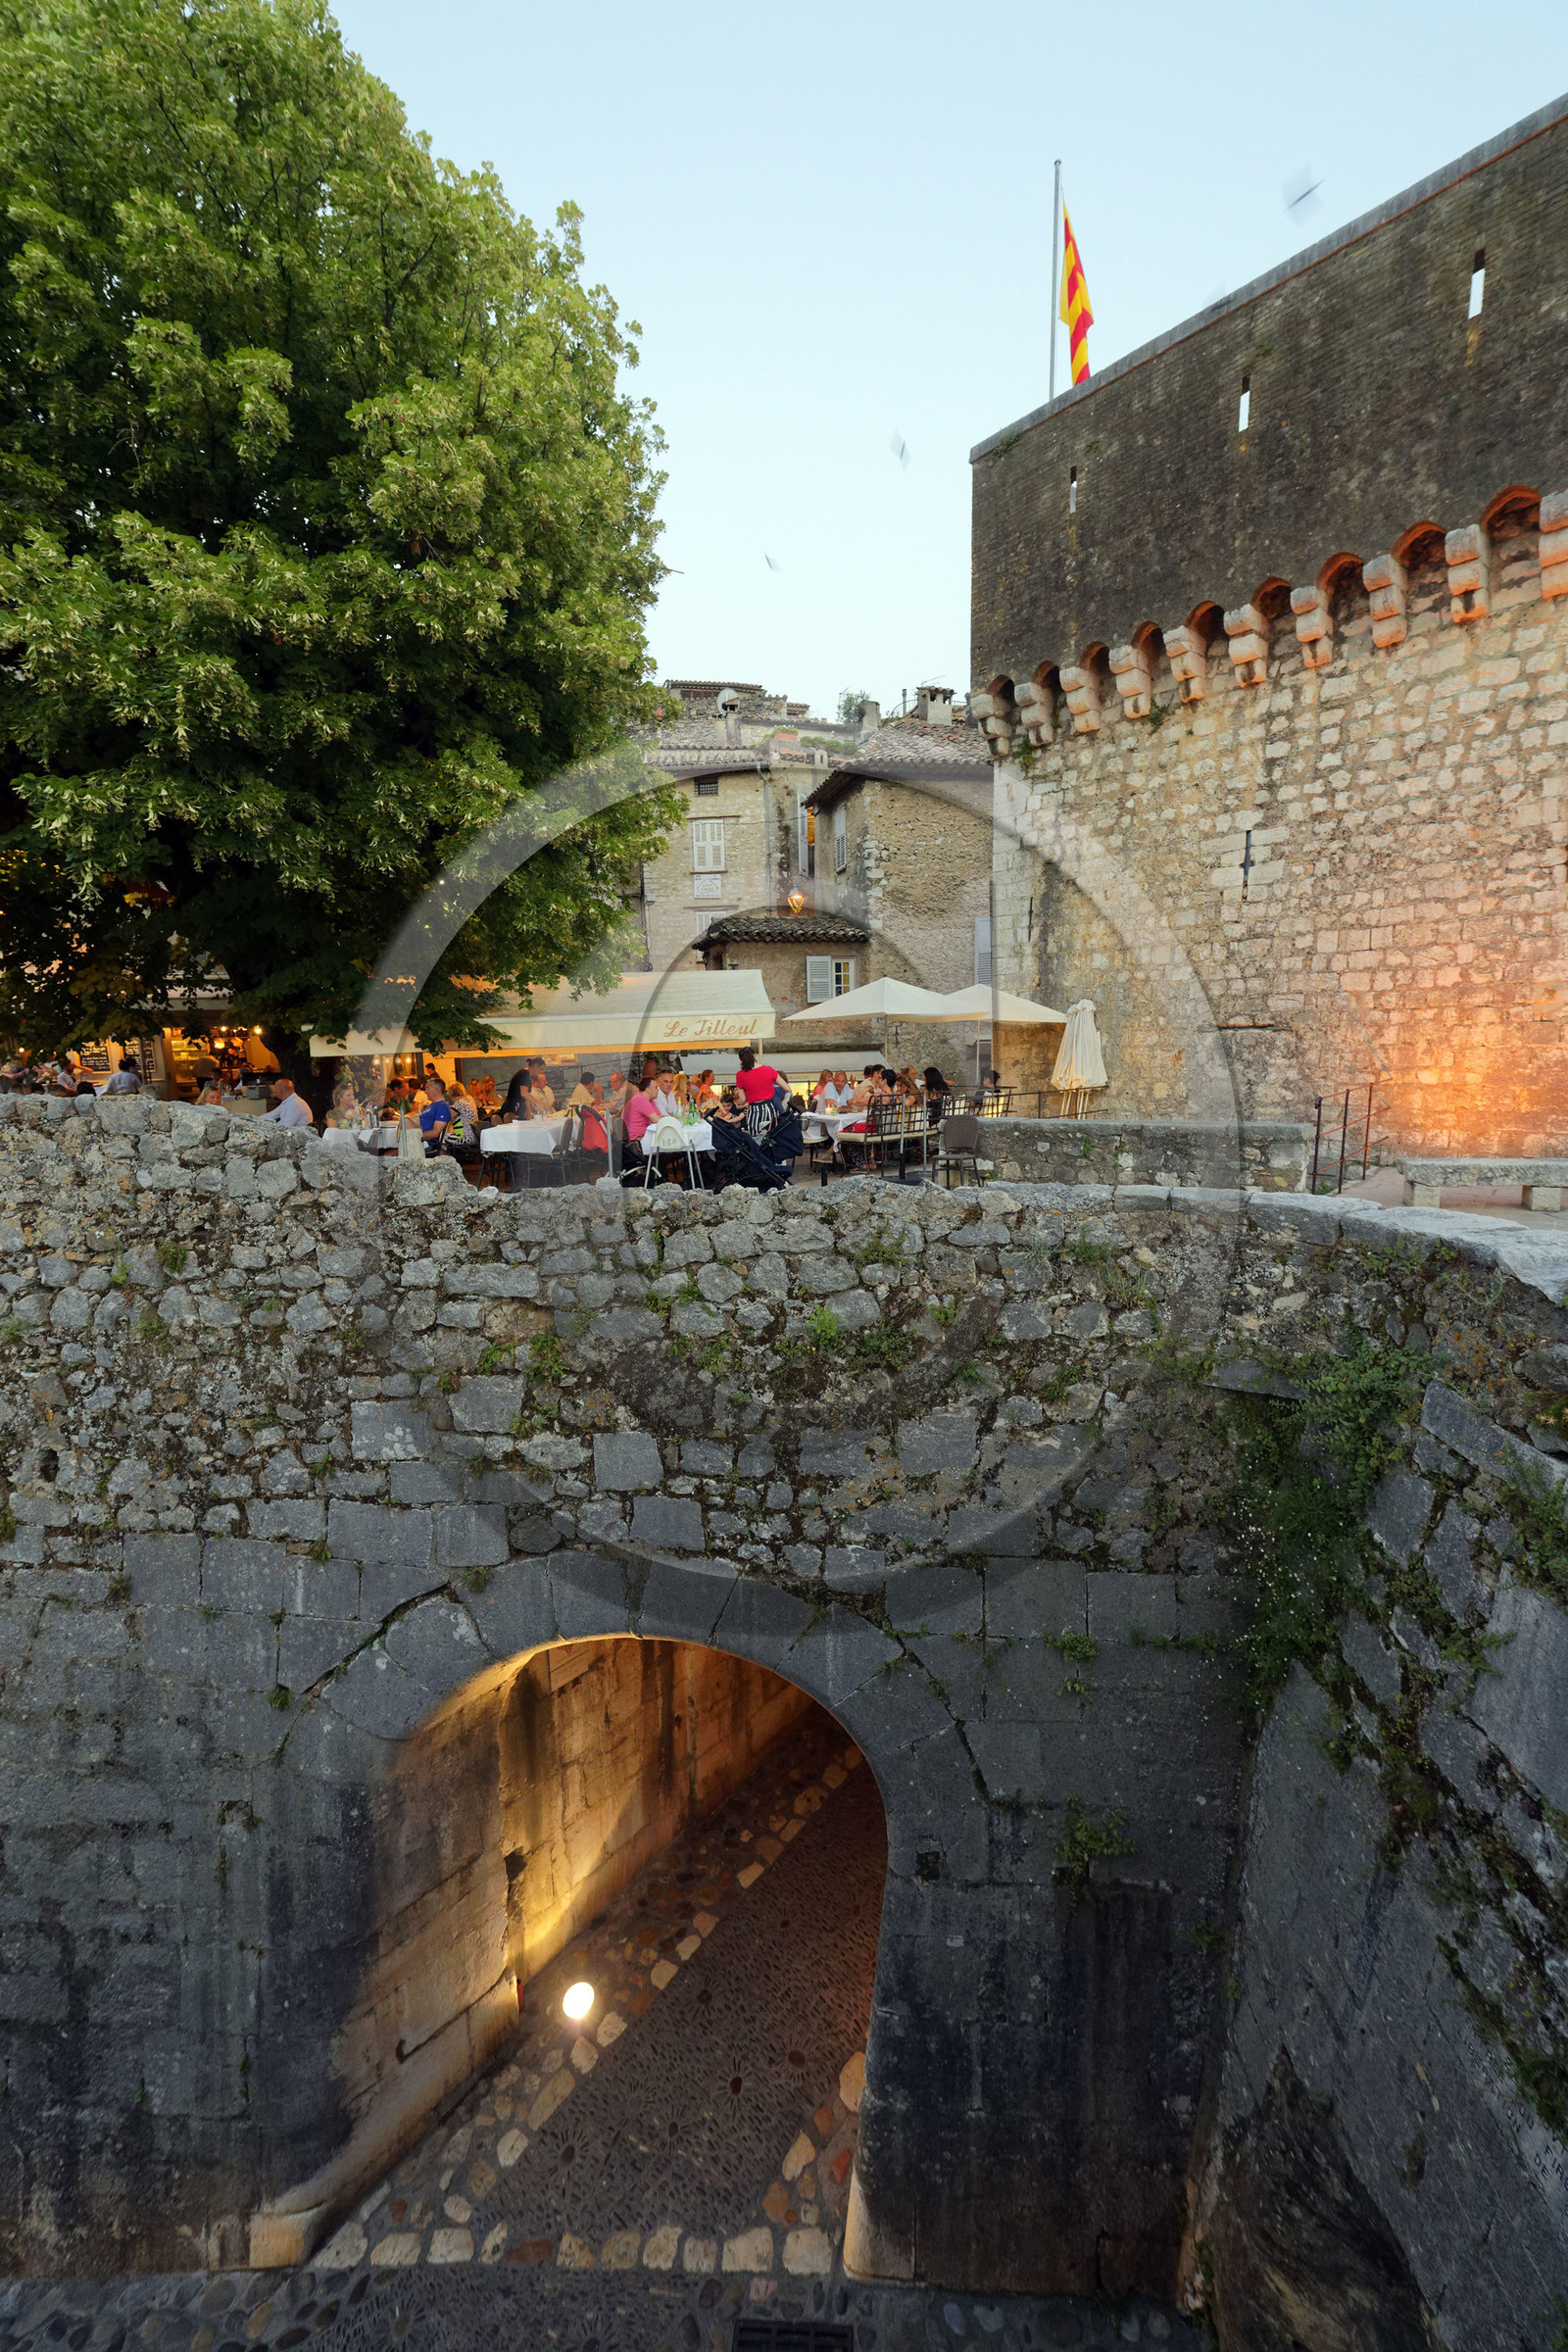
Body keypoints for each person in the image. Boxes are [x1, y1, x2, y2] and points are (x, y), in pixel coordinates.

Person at [417, 1073, 452, 1153]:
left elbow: (435, 1133)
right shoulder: (431, 1105)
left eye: (427, 1089)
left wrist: (414, 1135)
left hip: (426, 1142)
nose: (425, 1092)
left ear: (437, 1090)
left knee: (391, 1153)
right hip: (419, 1138)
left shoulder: (442, 1107)